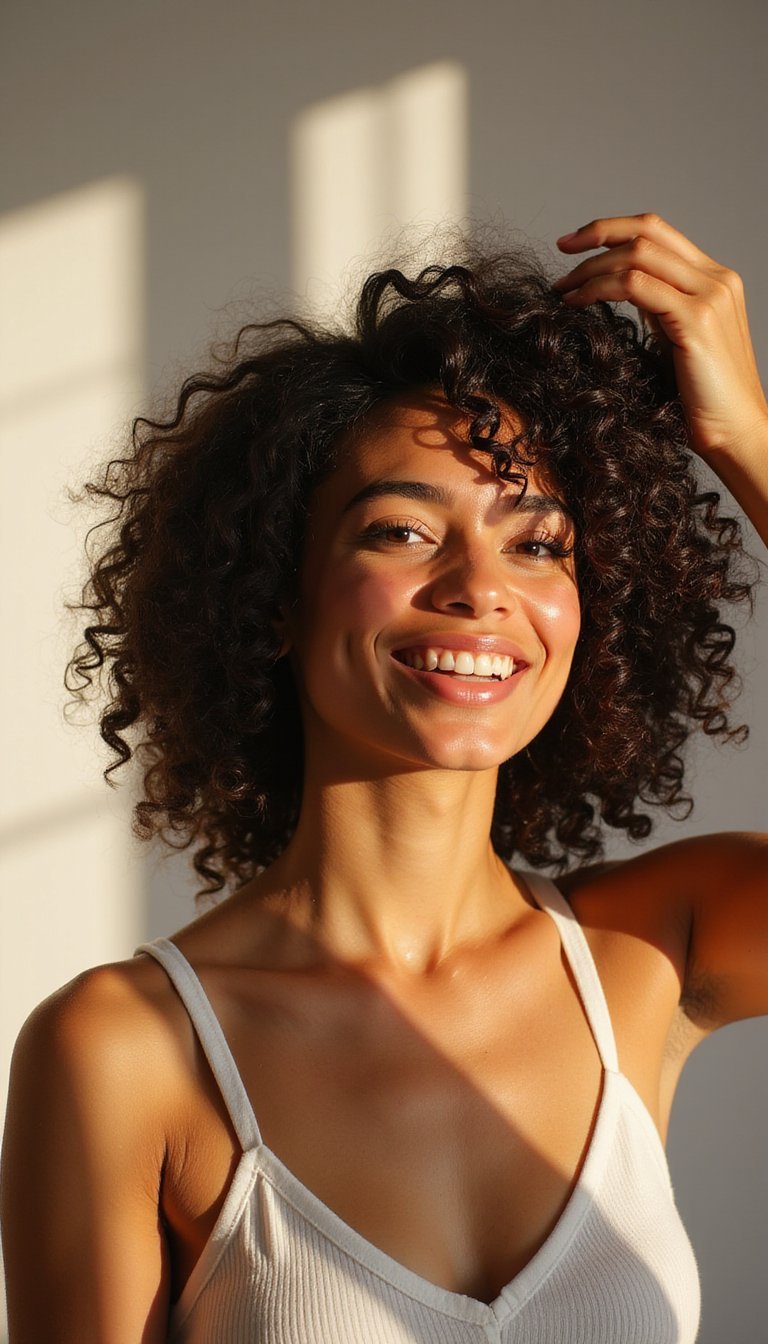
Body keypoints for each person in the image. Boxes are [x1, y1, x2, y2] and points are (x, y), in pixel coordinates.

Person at [1, 212, 767, 1344]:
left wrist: (748, 438)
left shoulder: (654, 952)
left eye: (539, 542)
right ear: (273, 600)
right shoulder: (124, 1049)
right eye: (403, 532)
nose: (479, 588)